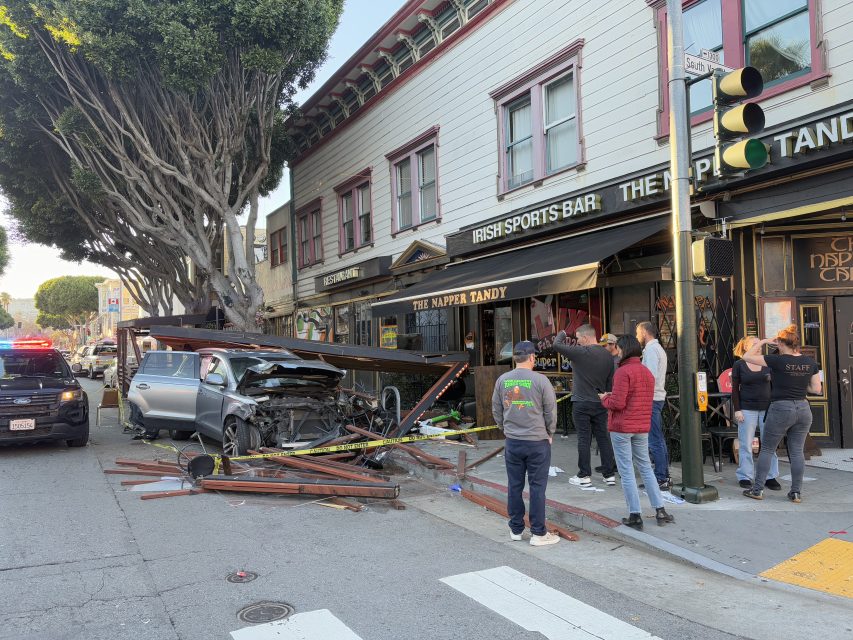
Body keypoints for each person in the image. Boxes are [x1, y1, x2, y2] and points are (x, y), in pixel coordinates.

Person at [600, 335, 675, 530]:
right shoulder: (646, 373)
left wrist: (604, 399)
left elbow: (617, 403)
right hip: (641, 426)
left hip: (622, 427)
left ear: (623, 350)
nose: (616, 351)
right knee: (646, 468)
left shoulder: (623, 372)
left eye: (618, 348)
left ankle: (635, 514)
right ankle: (660, 510)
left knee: (626, 471)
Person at [742, 325, 821, 503]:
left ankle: (757, 490)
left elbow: (746, 356)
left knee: (768, 448)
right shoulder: (810, 362)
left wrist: (762, 341)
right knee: (797, 452)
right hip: (803, 408)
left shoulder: (777, 360)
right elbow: (816, 389)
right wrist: (801, 387)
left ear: (780, 343)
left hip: (781, 408)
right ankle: (796, 492)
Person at [491, 341, 560, 546]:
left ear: (515, 358)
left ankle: (516, 529)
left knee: (514, 485)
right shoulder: (541, 381)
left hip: (513, 442)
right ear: (531, 358)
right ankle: (538, 533)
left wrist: (505, 428)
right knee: (537, 488)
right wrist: (550, 432)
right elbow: (550, 411)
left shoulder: (503, 380)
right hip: (537, 441)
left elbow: (496, 409)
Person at [553, 325, 618, 487]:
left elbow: (556, 344)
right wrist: (607, 398)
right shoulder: (608, 356)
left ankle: (584, 475)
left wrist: (562, 333)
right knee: (603, 438)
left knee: (584, 439)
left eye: (578, 338)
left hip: (582, 402)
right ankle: (609, 474)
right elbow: (610, 382)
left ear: (586, 337)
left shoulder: (581, 352)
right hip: (601, 401)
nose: (577, 341)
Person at [732, 336, 779, 490]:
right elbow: (734, 390)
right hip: (746, 408)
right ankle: (745, 476)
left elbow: (775, 386)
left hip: (767, 408)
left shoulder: (767, 362)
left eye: (760, 343)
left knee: (769, 443)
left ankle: (770, 476)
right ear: (746, 348)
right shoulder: (739, 364)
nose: (759, 346)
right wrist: (737, 409)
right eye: (755, 344)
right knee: (746, 444)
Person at [635, 321, 671, 491]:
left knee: (654, 439)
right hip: (657, 397)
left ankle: (660, 478)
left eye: (637, 333)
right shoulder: (656, 349)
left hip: (651, 398)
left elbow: (649, 377)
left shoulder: (650, 350)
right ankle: (664, 475)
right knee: (658, 438)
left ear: (644, 332)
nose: (636, 336)